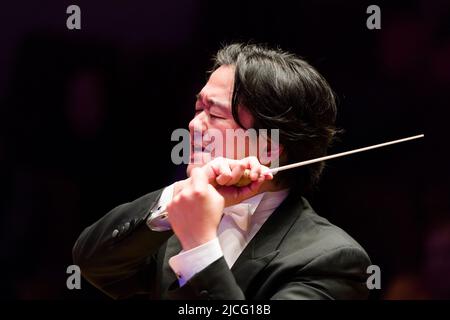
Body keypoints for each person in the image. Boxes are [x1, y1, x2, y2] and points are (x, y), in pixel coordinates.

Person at [72, 43, 371, 299]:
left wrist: (199, 245)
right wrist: (179, 195)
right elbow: (92, 262)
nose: (193, 125)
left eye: (213, 113)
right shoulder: (175, 221)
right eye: (197, 109)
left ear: (268, 148)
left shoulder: (332, 259)